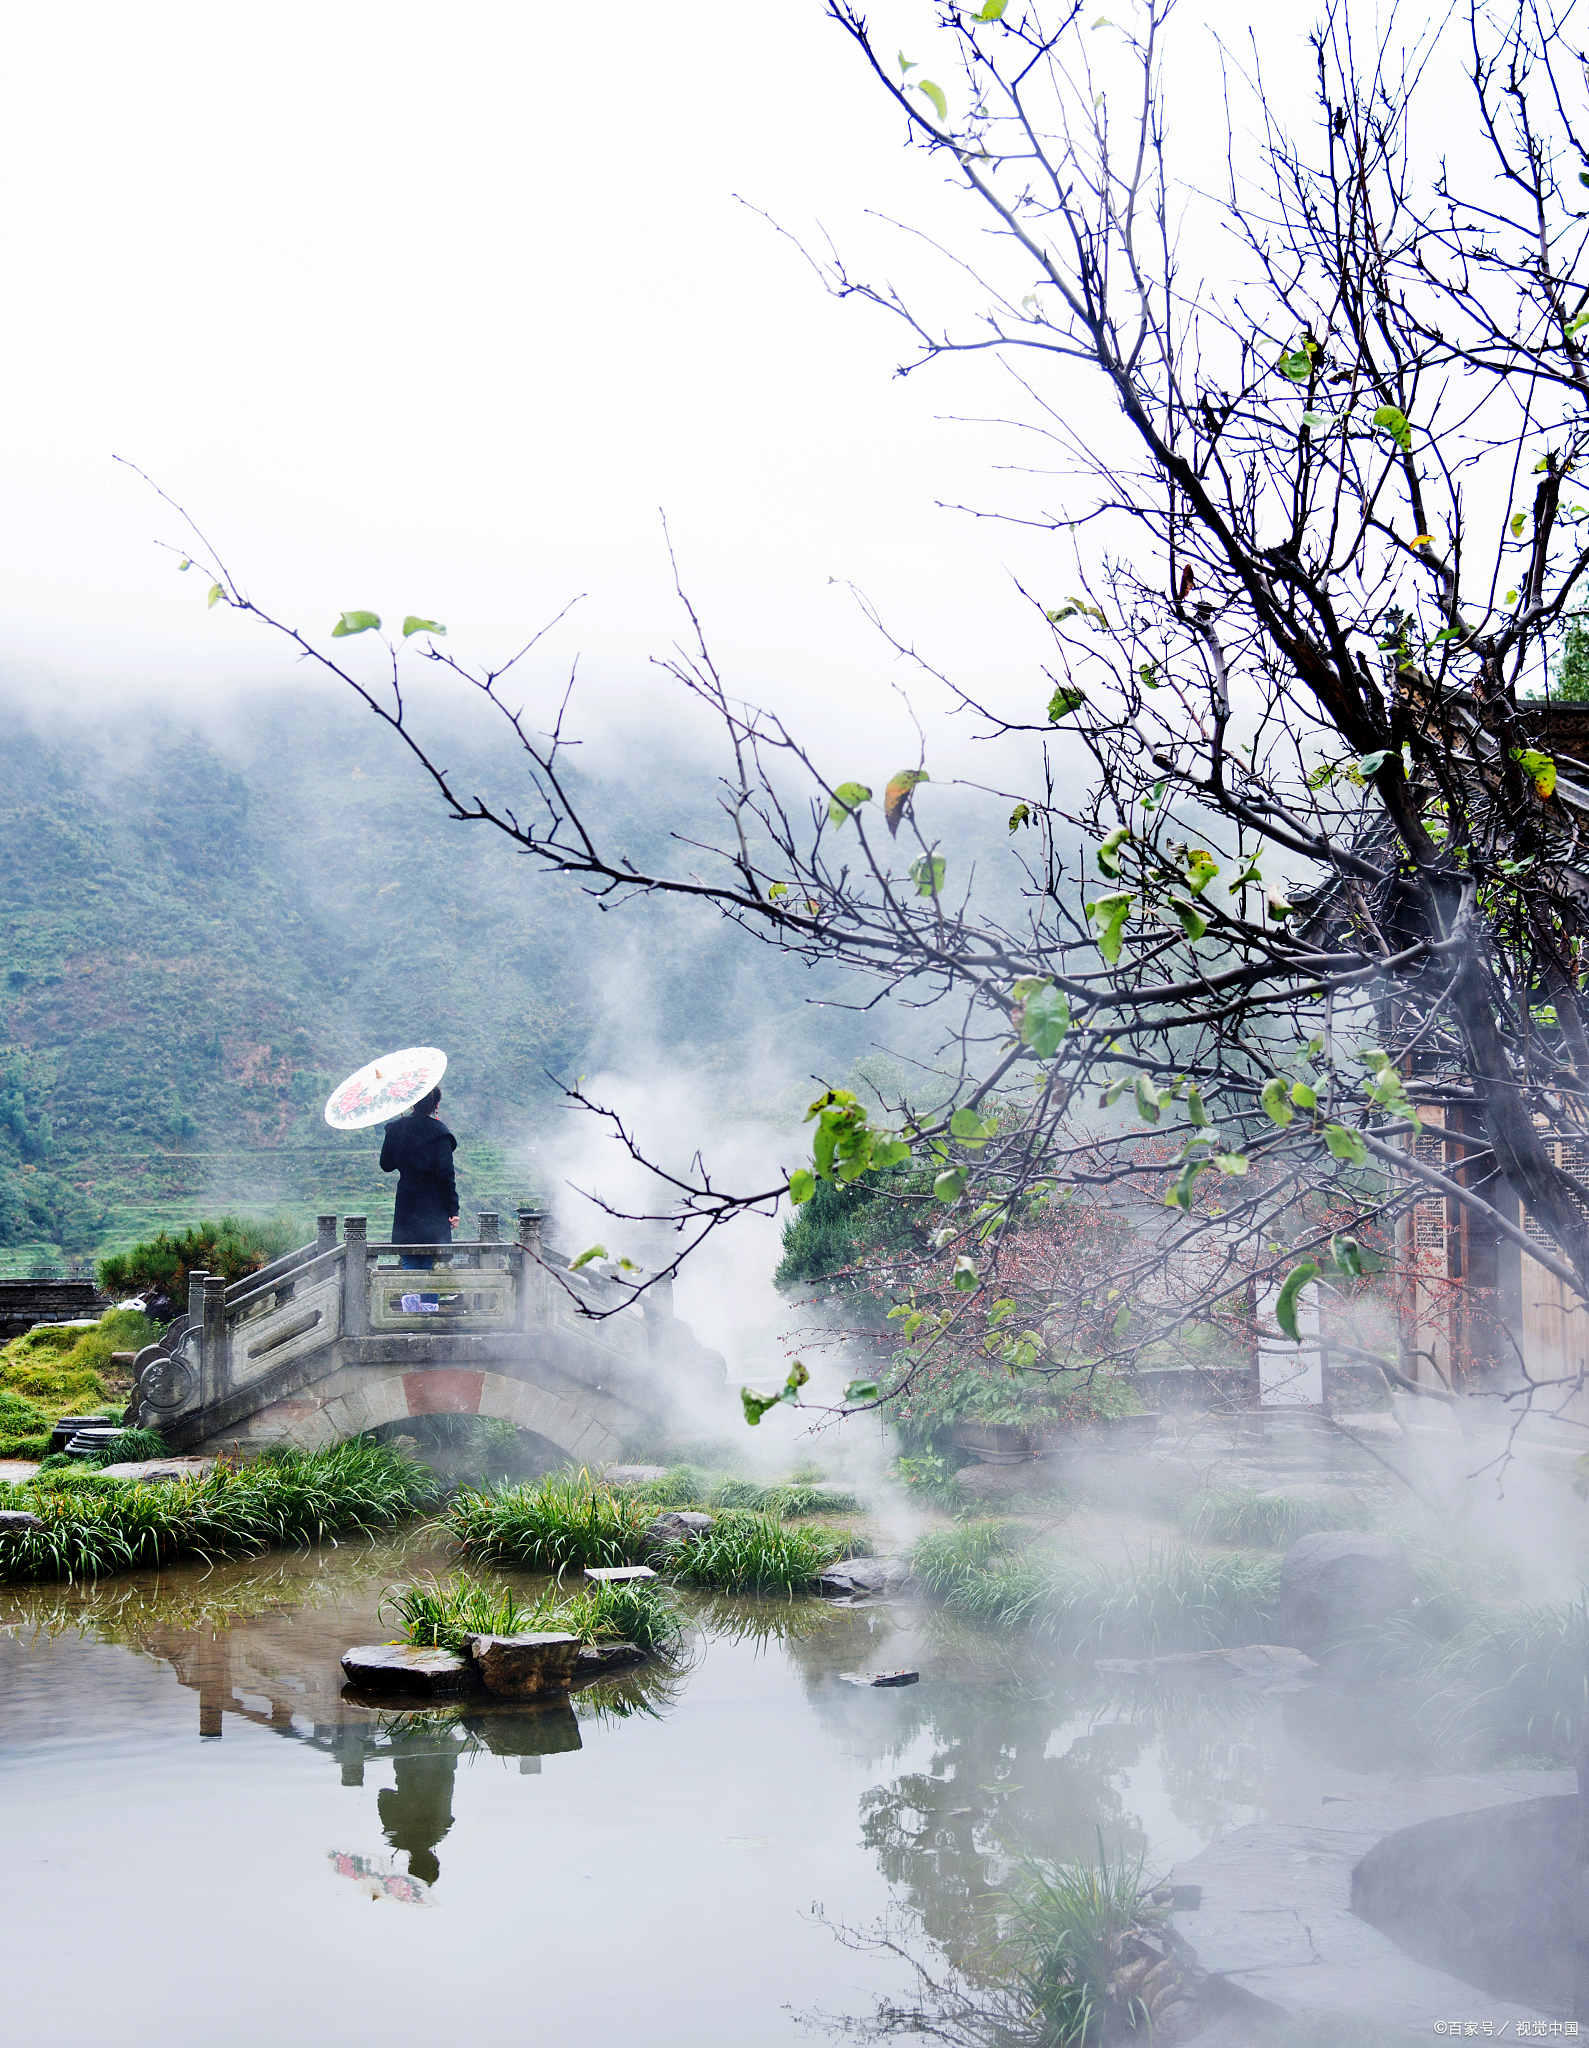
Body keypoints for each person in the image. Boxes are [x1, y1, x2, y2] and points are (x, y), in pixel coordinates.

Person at [379, 1085, 459, 1269]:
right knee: (432, 1263)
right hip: (434, 1206)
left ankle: (411, 1298)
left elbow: (386, 1165)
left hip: (407, 1203)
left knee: (409, 1258)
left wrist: (396, 1138)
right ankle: (428, 1299)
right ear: (436, 1104)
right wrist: (453, 1209)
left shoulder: (396, 1129)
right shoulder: (440, 1132)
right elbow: (446, 1175)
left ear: (412, 1103)